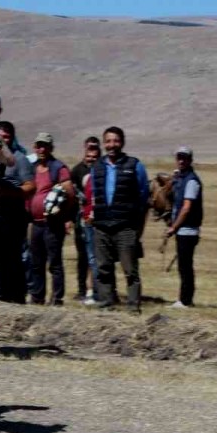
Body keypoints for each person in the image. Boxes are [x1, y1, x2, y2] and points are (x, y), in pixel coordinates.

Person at [91, 125, 150, 313]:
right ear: (104, 143)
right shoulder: (97, 166)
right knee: (103, 269)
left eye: (116, 141)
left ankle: (133, 309)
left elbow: (143, 197)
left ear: (122, 142)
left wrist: (136, 225)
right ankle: (106, 305)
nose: (112, 145)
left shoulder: (135, 166)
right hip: (101, 226)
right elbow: (94, 194)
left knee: (130, 271)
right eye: (108, 141)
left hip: (125, 227)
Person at [27, 132, 75, 306]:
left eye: (45, 145)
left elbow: (70, 192)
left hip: (52, 224)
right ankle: (37, 297)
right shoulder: (31, 167)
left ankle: (57, 299)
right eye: (39, 145)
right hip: (36, 224)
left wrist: (63, 214)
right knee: (36, 263)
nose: (41, 149)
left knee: (54, 262)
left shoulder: (58, 168)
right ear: (35, 147)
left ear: (51, 148)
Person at [0, 120, 35, 303]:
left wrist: (6, 191)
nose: (3, 139)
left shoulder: (20, 159)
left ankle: (16, 297)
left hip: (14, 216)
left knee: (14, 259)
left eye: (7, 136)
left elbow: (30, 187)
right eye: (0, 135)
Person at [165, 146, 203, 308]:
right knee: (183, 264)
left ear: (190, 160)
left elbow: (186, 207)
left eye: (184, 158)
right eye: (179, 157)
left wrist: (174, 226)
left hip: (188, 229)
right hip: (183, 229)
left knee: (185, 265)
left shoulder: (192, 181)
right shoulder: (180, 179)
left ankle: (186, 299)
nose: (181, 161)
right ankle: (184, 298)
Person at [70, 137, 101, 302]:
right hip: (80, 218)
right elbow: (70, 195)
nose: (91, 159)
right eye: (89, 154)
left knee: (100, 256)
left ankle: (101, 289)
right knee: (83, 255)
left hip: (98, 219)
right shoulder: (76, 171)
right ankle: (82, 289)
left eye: (94, 154)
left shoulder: (103, 169)